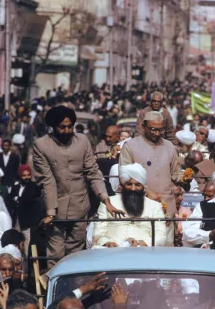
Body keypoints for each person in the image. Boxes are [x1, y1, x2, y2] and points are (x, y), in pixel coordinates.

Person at [33, 105, 122, 265]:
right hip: (55, 206)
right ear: (53, 126)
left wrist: (106, 201)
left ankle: (76, 286)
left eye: (70, 127)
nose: (66, 131)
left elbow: (93, 172)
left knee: (76, 253)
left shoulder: (82, 141)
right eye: (62, 127)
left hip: (80, 205)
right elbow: (48, 180)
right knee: (55, 254)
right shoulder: (41, 145)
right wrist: (51, 213)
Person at [120, 111, 181, 245]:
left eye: (160, 130)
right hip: (141, 209)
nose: (157, 133)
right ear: (144, 126)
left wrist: (185, 177)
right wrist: (146, 191)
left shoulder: (169, 146)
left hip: (167, 210)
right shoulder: (130, 146)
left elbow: (176, 174)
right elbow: (124, 177)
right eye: (153, 129)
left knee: (166, 252)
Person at [92, 163, 166, 247]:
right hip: (112, 251)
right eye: (129, 184)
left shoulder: (155, 206)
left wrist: (143, 243)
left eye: (137, 185)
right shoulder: (108, 203)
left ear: (143, 187)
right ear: (123, 185)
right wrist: (107, 243)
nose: (133, 188)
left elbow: (161, 236)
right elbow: (98, 233)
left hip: (143, 252)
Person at [10, 165, 42, 254]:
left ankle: (28, 265)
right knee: (15, 244)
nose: (26, 177)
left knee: (28, 245)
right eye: (24, 175)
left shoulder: (33, 187)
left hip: (28, 222)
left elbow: (29, 199)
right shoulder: (16, 187)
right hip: (17, 221)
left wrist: (18, 199)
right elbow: (10, 200)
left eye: (28, 175)